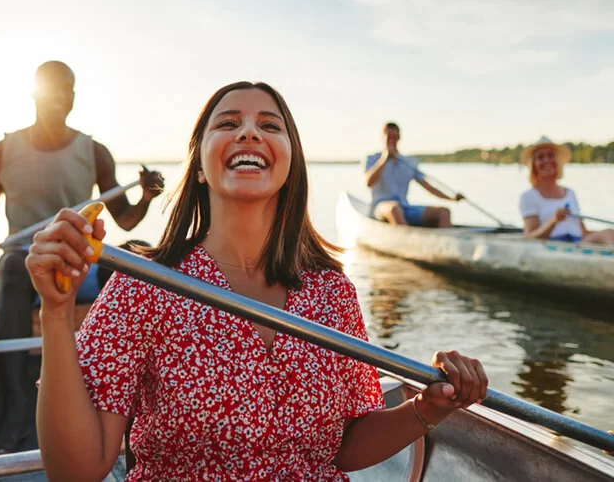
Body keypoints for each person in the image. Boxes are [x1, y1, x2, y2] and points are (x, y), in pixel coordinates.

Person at [27, 82, 488, 480]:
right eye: (228, 123)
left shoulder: (332, 291)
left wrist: (428, 409)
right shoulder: (144, 285)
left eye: (270, 126)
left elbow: (344, 448)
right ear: (201, 167)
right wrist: (56, 309)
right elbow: (77, 471)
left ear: (291, 166)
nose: (249, 131)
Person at [0, 61, 164, 455]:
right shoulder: (1, 151)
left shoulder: (95, 152)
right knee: (11, 270)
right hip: (26, 257)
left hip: (79, 258)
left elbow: (123, 219)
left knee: (136, 252)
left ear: (73, 97)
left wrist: (146, 196)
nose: (59, 98)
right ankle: (19, 405)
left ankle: (124, 396)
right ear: (35, 94)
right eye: (51, 90)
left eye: (66, 90)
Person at [364, 122, 464, 227]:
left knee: (444, 212)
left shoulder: (409, 162)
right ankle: (406, 240)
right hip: (380, 208)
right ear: (382, 137)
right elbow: (369, 182)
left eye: (395, 137)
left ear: (399, 138)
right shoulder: (372, 159)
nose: (392, 141)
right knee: (394, 208)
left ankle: (446, 242)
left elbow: (428, 187)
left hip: (405, 208)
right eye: (389, 137)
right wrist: (384, 159)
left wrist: (451, 198)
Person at [519, 136, 614, 245]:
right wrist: (553, 221)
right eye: (540, 157)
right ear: (533, 164)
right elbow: (530, 236)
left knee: (609, 233)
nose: (547, 160)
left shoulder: (570, 193)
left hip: (578, 243)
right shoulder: (529, 196)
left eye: (551, 155)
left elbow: (583, 232)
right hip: (552, 246)